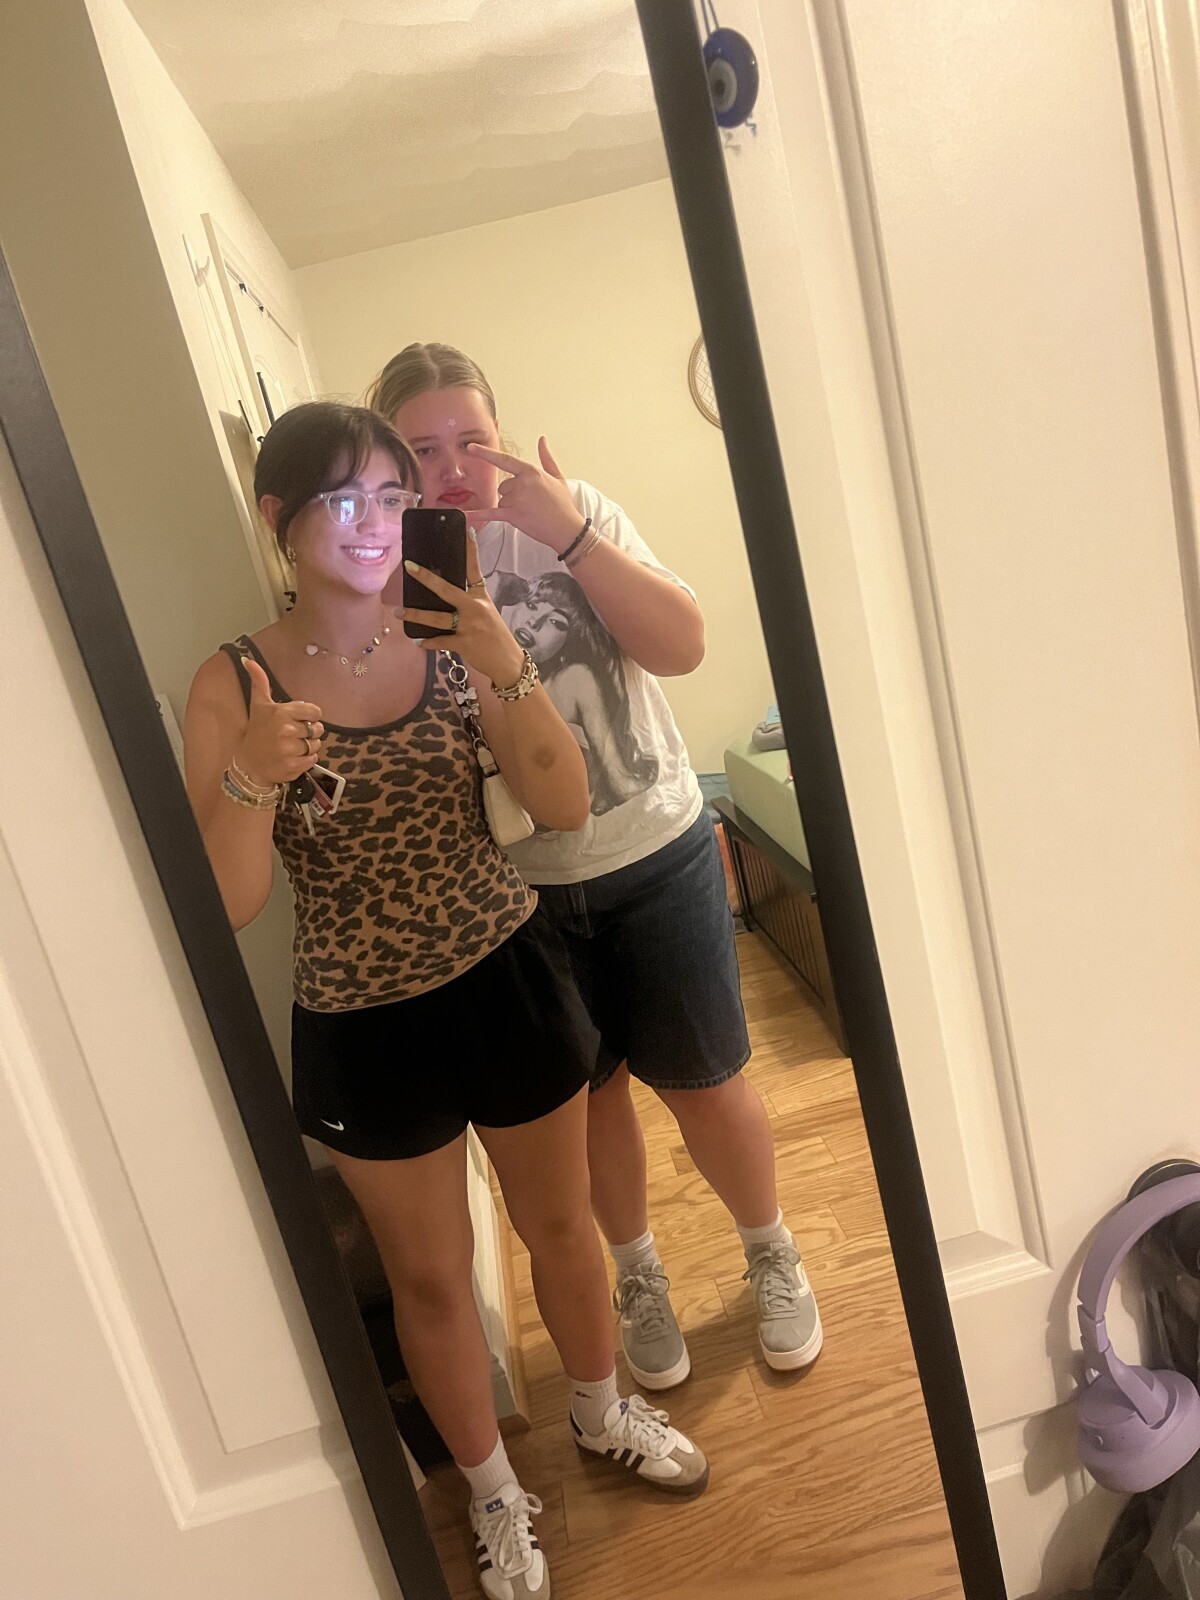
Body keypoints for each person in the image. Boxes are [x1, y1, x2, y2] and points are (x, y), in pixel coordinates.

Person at [183, 402, 708, 1600]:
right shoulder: (233, 681)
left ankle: (600, 1409)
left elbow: (562, 803)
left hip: (507, 974)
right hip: (362, 1023)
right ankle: (493, 1492)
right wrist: (249, 777)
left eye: (392, 495)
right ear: (278, 518)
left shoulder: (453, 626)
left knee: (562, 1227)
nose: (376, 523)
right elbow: (228, 905)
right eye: (344, 500)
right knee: (427, 1278)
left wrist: (503, 663)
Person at [371, 345, 823, 1396]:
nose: (452, 466)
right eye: (423, 449)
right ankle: (640, 1276)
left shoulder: (576, 513)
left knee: (708, 1084)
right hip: (518, 894)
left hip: (656, 852)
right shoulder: (387, 573)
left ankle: (771, 1249)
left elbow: (683, 647)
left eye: (471, 439)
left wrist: (569, 533)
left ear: (501, 435)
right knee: (596, 1099)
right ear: (391, 460)